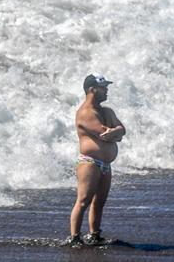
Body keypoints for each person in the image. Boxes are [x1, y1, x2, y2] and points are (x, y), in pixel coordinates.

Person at [65, 74, 126, 247]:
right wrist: (116, 133)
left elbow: (122, 130)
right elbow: (104, 134)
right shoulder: (85, 113)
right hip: (90, 162)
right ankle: (74, 237)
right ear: (92, 90)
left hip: (106, 164)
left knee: (100, 201)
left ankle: (95, 235)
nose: (106, 90)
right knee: (83, 200)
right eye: (103, 88)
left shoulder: (107, 111)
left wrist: (116, 132)